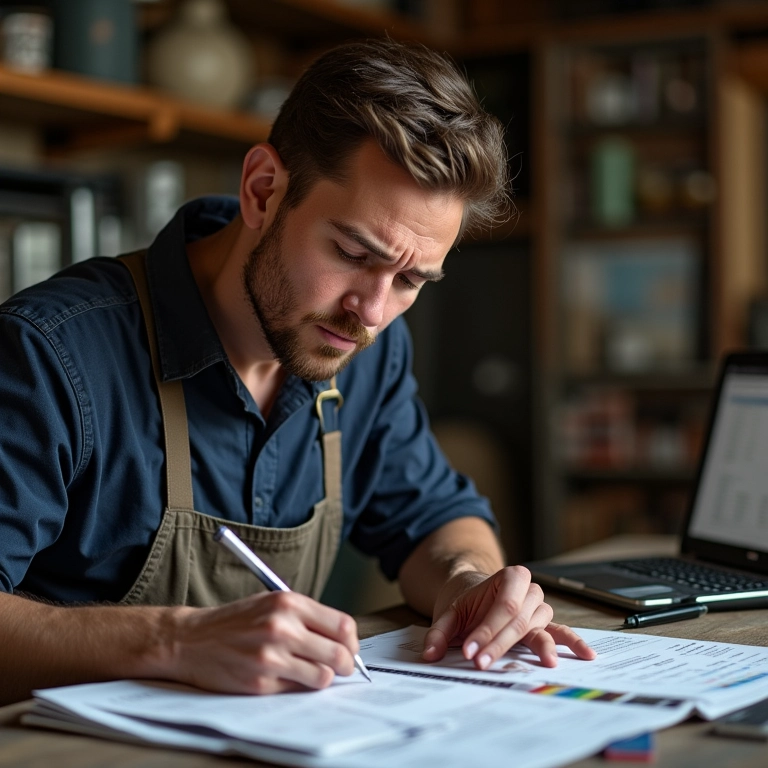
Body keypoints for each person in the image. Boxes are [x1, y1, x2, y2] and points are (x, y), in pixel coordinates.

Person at [0, 38, 594, 704]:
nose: (371, 311)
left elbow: (434, 515)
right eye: (351, 252)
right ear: (262, 191)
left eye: (410, 281)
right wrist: (175, 642)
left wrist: (468, 580)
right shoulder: (51, 355)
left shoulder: (363, 352)